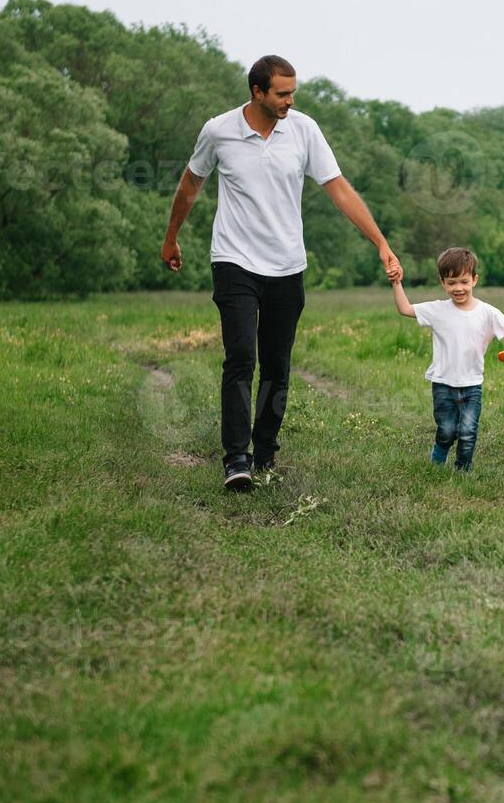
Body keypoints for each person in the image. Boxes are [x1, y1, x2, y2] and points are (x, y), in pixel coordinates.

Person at [160, 55, 401, 492]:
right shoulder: (220, 131)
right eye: (282, 93)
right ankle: (236, 457)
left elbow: (338, 188)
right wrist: (171, 236)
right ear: (257, 92)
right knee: (240, 358)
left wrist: (380, 242)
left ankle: (265, 449)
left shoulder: (304, 130)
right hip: (233, 260)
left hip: (287, 265)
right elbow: (191, 182)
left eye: (293, 92)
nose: (290, 100)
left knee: (276, 364)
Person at [388, 248, 504, 471]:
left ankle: (463, 470)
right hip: (443, 383)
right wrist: (396, 282)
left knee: (467, 431)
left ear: (474, 280)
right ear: (442, 282)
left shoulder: (488, 313)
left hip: (472, 385)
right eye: (452, 282)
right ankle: (438, 458)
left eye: (464, 281)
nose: (458, 288)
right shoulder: (437, 310)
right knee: (446, 430)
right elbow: (405, 308)